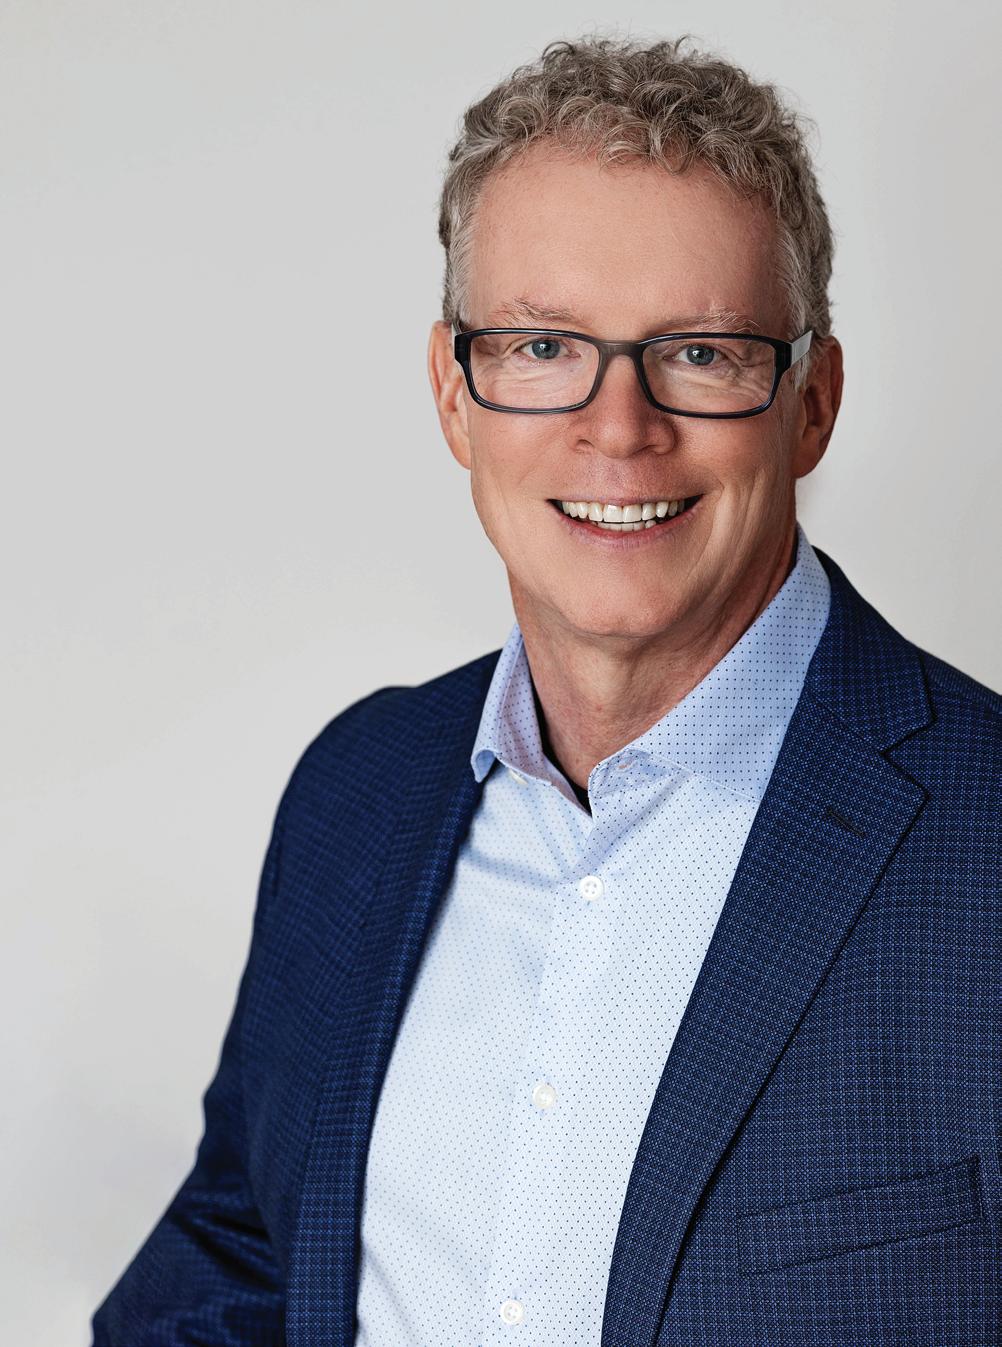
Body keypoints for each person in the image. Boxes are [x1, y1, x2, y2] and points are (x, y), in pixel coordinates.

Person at [91, 34, 1002, 1347]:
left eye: (701, 353)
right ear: (453, 396)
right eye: (540, 346)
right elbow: (240, 1251)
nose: (618, 429)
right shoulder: (356, 794)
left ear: (812, 403)